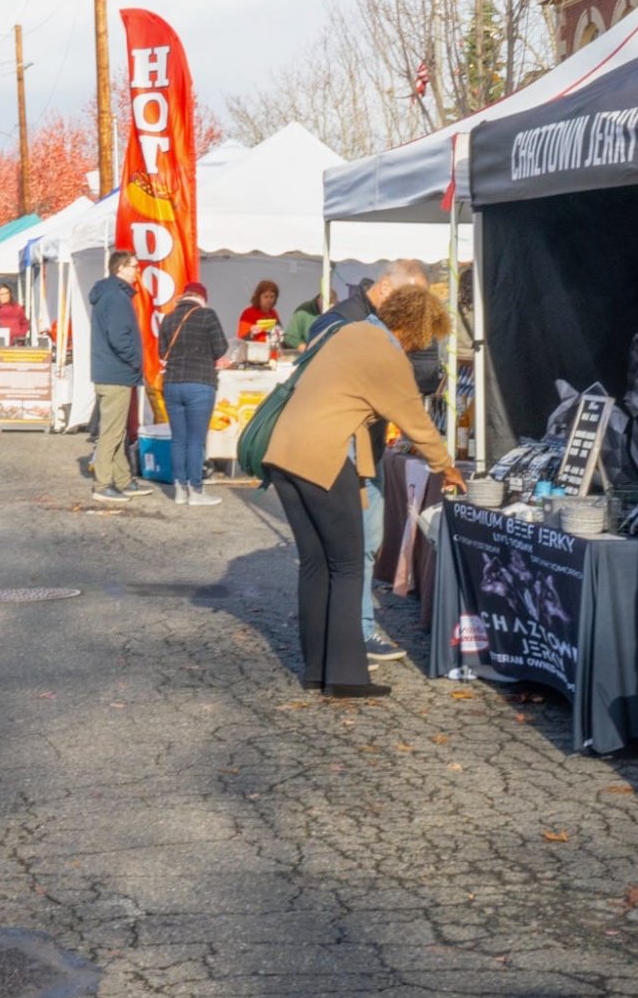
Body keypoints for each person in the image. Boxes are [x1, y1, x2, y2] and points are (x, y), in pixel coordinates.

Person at [263, 286, 462, 697]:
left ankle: (317, 669)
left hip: (283, 453)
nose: (418, 346)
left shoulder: (351, 332)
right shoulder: (386, 353)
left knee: (316, 565)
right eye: (422, 338)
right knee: (349, 565)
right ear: (415, 329)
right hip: (324, 457)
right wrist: (447, 467)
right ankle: (346, 676)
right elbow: (415, 421)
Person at [306, 259, 432, 663]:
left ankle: (344, 633)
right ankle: (354, 632)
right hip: (339, 452)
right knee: (351, 547)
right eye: (412, 302)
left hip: (367, 451)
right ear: (386, 289)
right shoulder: (342, 321)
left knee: (366, 542)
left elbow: (418, 377)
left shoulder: (381, 325)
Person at [86, 249, 151, 504]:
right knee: (112, 433)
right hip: (116, 373)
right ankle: (102, 484)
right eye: (134, 266)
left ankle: (123, 480)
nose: (137, 270)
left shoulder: (109, 294)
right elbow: (119, 336)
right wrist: (135, 361)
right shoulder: (117, 297)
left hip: (110, 371)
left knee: (118, 431)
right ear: (121, 268)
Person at [158, 282, 231, 506]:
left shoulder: (168, 318)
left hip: (172, 384)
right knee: (195, 440)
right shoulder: (207, 315)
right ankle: (196, 491)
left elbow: (162, 352)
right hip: (199, 383)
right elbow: (220, 349)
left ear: (184, 297)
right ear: (202, 298)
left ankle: (180, 490)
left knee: (178, 439)